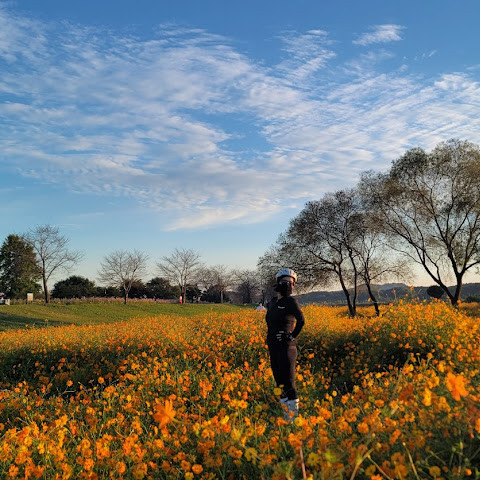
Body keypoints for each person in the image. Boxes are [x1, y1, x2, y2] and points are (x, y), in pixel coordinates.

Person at [265, 268, 305, 420]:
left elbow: (301, 321)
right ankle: (284, 417)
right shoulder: (273, 302)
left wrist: (291, 336)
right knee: (279, 383)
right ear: (278, 282)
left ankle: (293, 420)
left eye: (291, 283)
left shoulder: (291, 302)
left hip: (287, 348)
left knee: (289, 383)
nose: (288, 285)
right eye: (285, 282)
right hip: (273, 347)